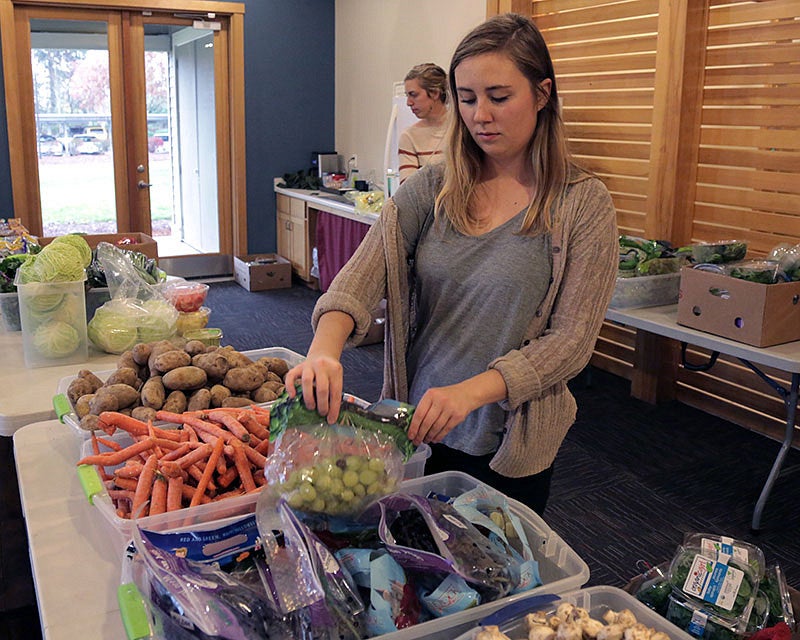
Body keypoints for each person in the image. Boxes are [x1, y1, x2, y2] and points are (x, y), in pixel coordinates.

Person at [285, 13, 618, 515]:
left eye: (499, 97)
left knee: (497, 577)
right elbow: (359, 277)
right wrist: (323, 350)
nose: (480, 114)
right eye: (467, 98)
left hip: (508, 442)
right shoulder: (432, 187)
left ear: (543, 93)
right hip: (416, 424)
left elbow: (572, 342)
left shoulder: (583, 203)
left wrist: (470, 393)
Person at [397, 63, 448, 183]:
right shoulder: (409, 137)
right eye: (407, 96)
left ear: (435, 93)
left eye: (413, 95)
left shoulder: (463, 128)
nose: (408, 103)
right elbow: (409, 191)